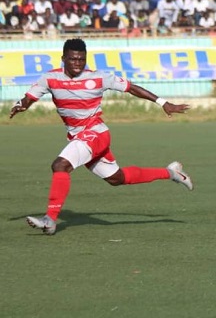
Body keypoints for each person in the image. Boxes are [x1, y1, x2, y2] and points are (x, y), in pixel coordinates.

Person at [10, 38, 194, 236]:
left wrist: (163, 102)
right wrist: (22, 105)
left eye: (82, 59)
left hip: (96, 132)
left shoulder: (99, 77)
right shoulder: (49, 78)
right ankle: (172, 173)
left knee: (60, 165)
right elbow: (29, 98)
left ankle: (50, 219)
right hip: (78, 136)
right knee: (117, 178)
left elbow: (131, 87)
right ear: (63, 58)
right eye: (73, 59)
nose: (78, 63)